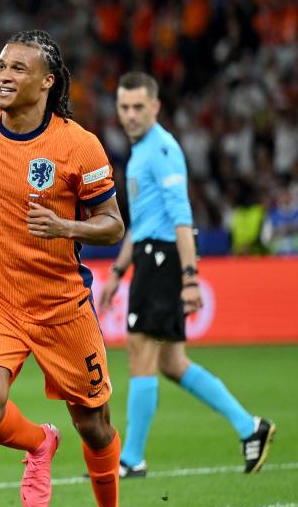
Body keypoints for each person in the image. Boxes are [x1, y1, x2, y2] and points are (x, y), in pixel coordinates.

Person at [0, 30, 126, 507]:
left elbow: (114, 225)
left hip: (60, 305)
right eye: (1, 66)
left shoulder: (79, 146)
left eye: (18, 69)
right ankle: (37, 444)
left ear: (48, 82)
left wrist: (65, 225)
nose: (4, 76)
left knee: (94, 424)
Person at [98, 71, 275, 476]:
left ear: (156, 107)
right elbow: (141, 222)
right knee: (172, 362)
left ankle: (131, 459)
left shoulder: (161, 150)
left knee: (140, 351)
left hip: (163, 259)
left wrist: (191, 277)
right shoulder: (142, 151)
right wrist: (117, 272)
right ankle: (250, 427)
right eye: (124, 107)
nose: (130, 115)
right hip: (149, 254)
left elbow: (181, 218)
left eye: (138, 107)